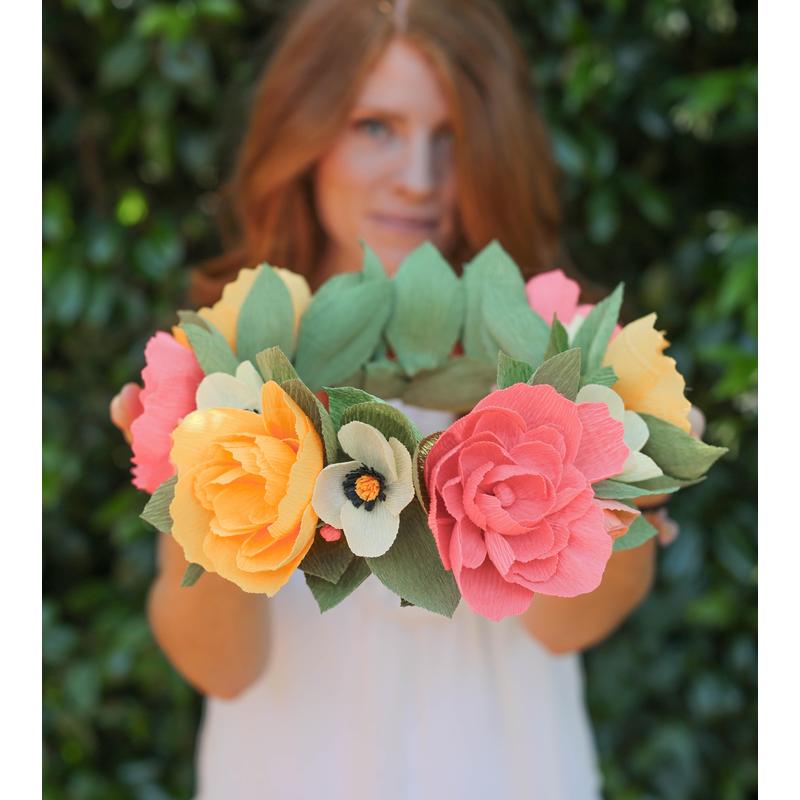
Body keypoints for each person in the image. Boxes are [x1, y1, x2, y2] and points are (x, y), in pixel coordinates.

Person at [147, 1, 664, 797]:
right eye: (375, 127)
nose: (418, 178)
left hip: (507, 770)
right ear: (306, 134)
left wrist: (631, 492)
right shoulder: (225, 357)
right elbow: (222, 668)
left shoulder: (557, 353)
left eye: (451, 136)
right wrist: (216, 490)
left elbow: (568, 627)